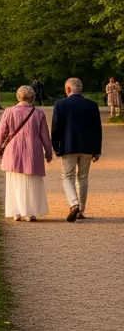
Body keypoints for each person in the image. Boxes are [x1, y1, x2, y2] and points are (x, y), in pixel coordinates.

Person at [0, 85, 52, 221]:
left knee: (14, 181)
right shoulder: (38, 113)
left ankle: (16, 211)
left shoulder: (9, 112)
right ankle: (30, 212)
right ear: (32, 97)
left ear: (18, 96)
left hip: (13, 151)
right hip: (32, 151)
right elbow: (45, 136)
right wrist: (49, 152)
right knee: (32, 181)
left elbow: (1, 133)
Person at [51, 77, 103, 222]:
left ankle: (74, 203)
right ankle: (81, 210)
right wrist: (97, 150)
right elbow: (97, 129)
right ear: (81, 89)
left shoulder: (60, 104)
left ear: (68, 89)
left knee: (67, 176)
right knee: (83, 177)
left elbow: (56, 128)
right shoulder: (92, 105)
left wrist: (56, 146)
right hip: (87, 147)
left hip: (67, 146)